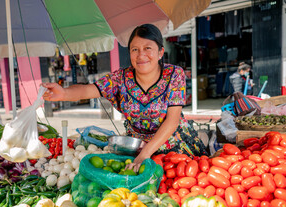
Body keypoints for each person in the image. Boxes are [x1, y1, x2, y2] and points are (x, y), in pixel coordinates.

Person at [42, 24, 207, 172]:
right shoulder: (120, 78)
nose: (141, 55)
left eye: (148, 48)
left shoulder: (174, 74)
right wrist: (63, 93)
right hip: (135, 151)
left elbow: (172, 120)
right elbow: (87, 91)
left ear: (160, 52)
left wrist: (144, 155)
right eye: (135, 49)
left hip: (176, 152)